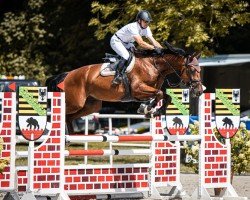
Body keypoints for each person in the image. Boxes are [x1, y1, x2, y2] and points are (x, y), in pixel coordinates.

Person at [110, 10, 163, 85]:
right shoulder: (133, 27)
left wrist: (163, 50)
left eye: (148, 22)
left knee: (137, 55)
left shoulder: (146, 28)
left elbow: (154, 41)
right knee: (126, 56)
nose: (147, 24)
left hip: (127, 43)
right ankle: (117, 76)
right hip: (116, 41)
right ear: (139, 20)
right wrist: (154, 49)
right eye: (145, 21)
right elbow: (141, 43)